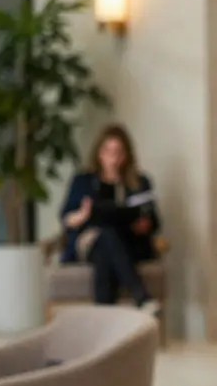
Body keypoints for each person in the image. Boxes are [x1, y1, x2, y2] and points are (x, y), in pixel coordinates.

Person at [60, 124, 160, 309]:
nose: (113, 157)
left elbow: (154, 222)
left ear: (126, 155)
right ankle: (141, 296)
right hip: (89, 240)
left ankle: (104, 313)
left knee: (106, 251)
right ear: (99, 153)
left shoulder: (140, 182)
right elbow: (66, 219)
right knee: (106, 236)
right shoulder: (83, 181)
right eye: (108, 151)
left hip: (128, 240)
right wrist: (82, 215)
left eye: (118, 152)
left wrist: (144, 225)